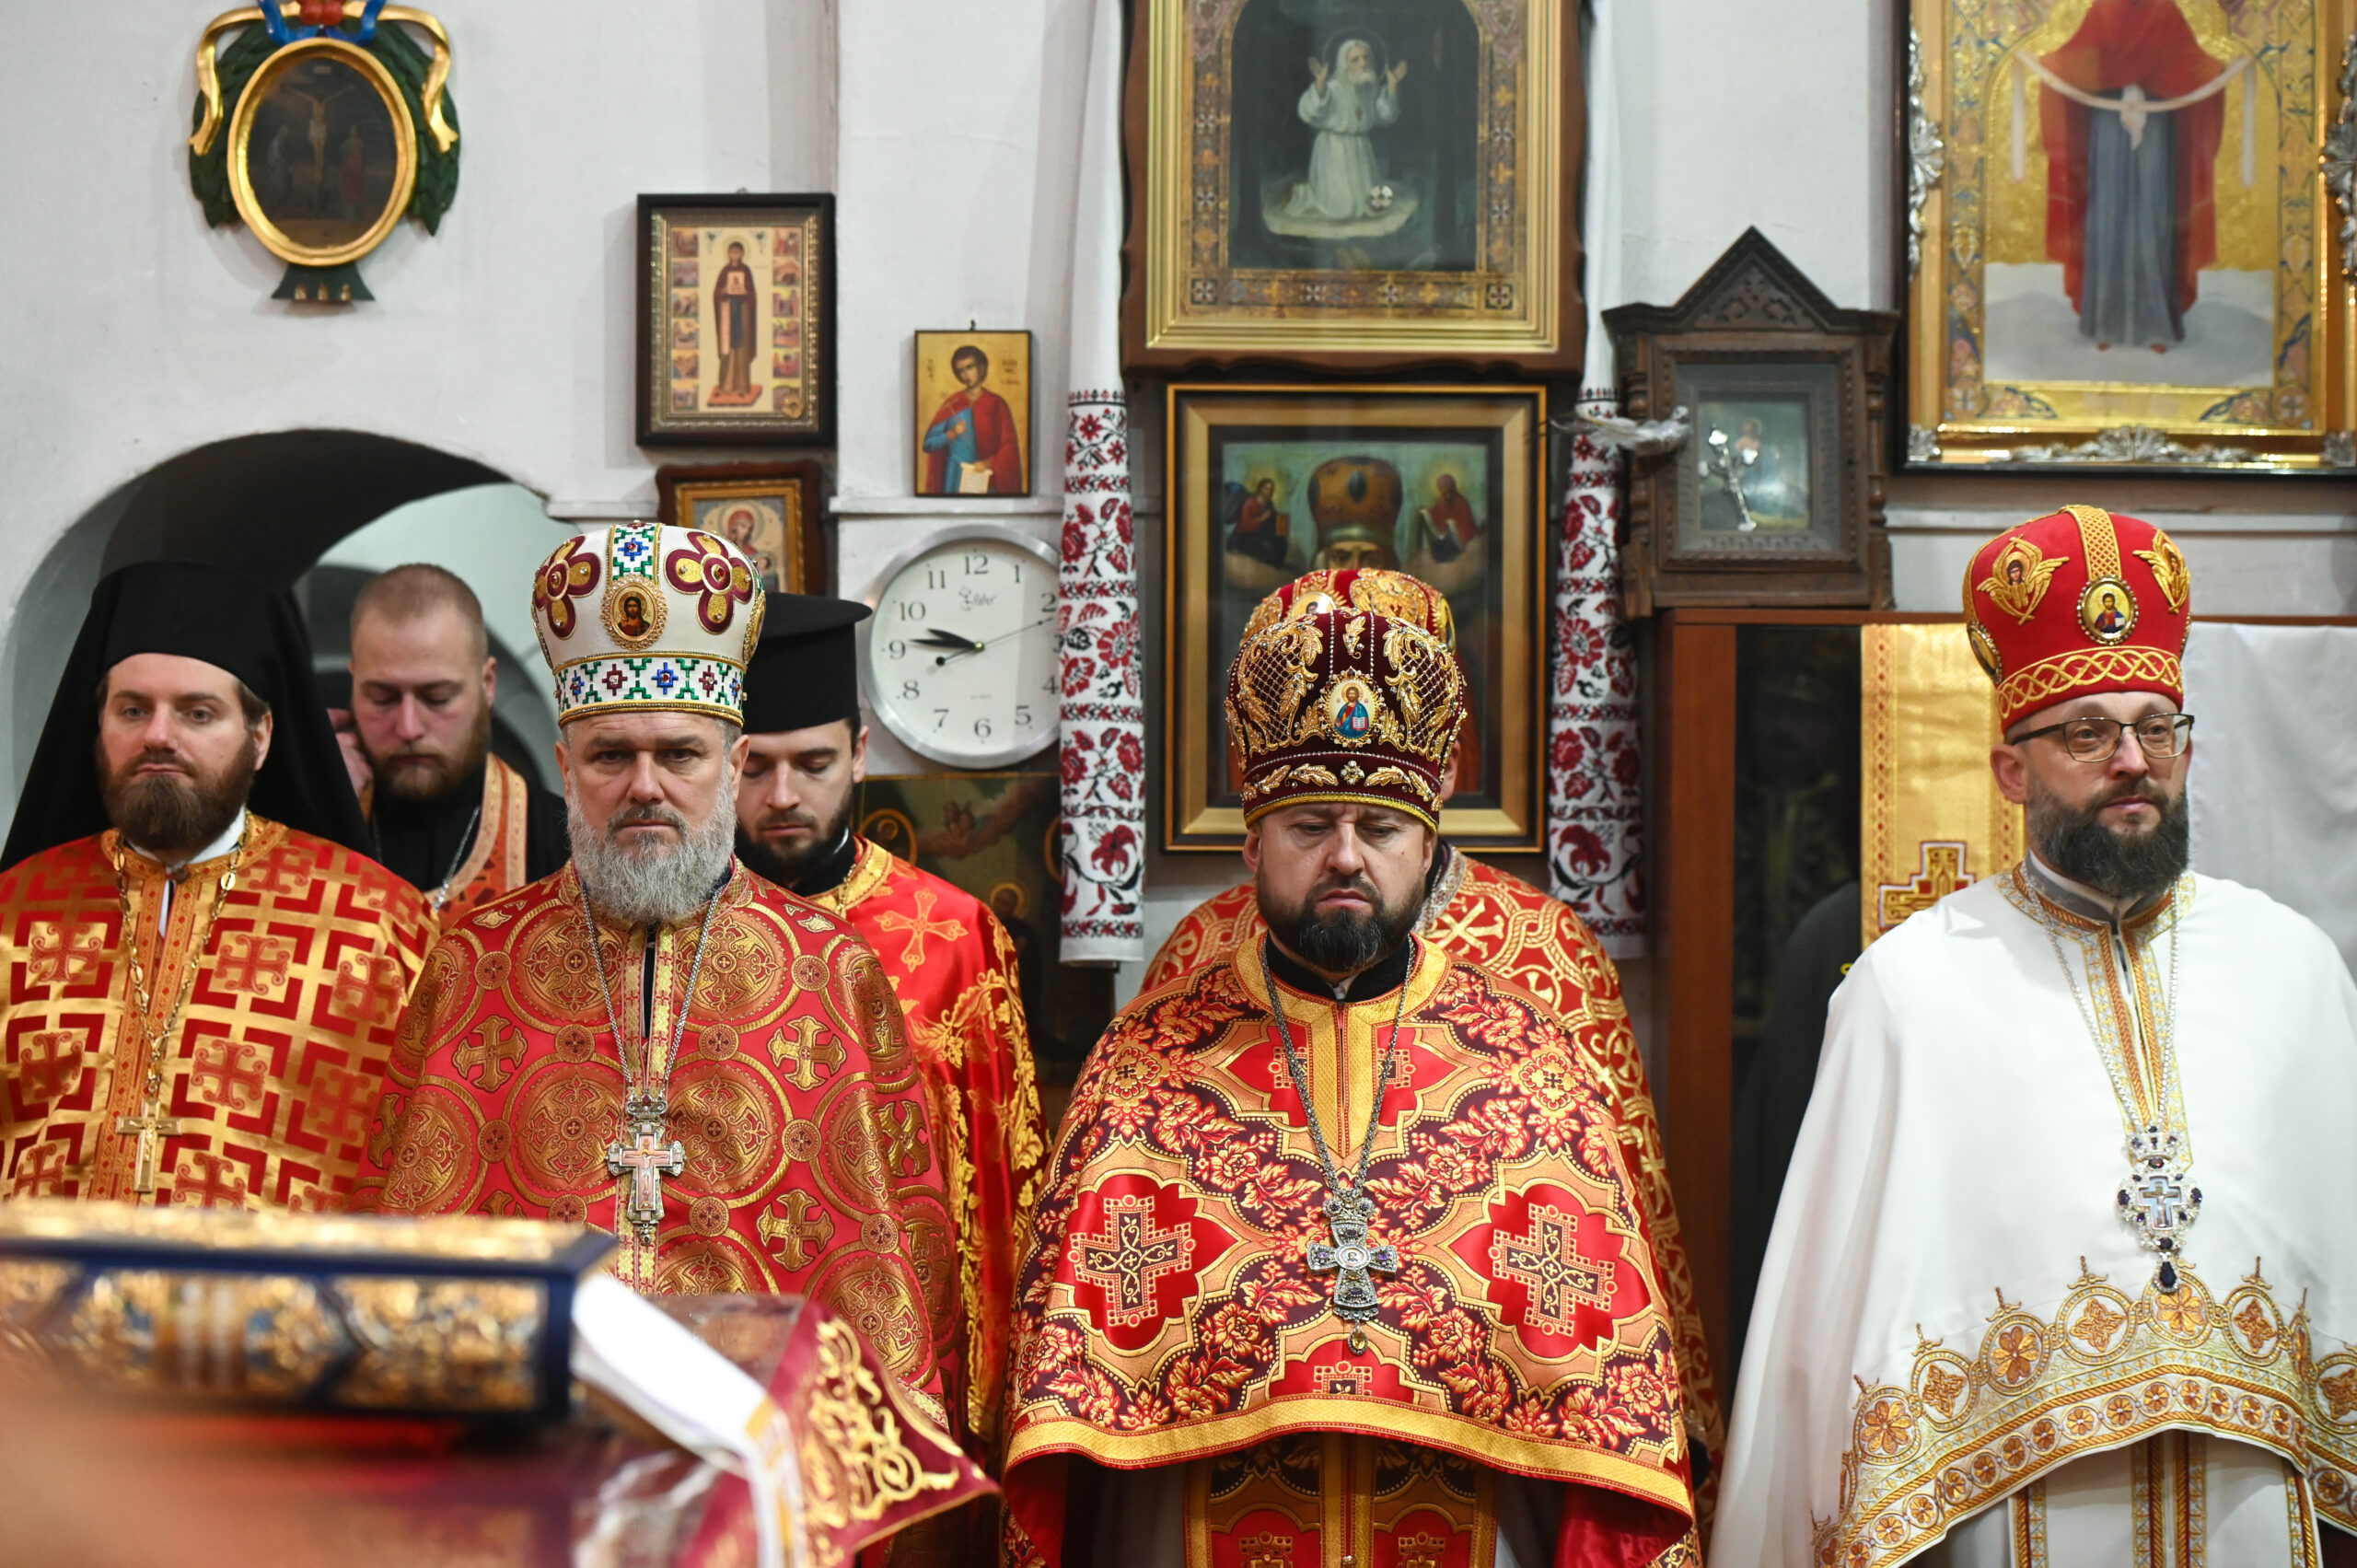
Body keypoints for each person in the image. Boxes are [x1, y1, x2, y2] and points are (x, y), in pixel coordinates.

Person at [1715, 505, 2357, 1565]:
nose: (2131, 760)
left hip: (2252, 1501)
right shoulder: (1906, 988)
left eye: (2157, 728)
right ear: (2011, 771)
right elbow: (1822, 1322)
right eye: (2087, 733)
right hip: (2014, 1516)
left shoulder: (2293, 966)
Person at [1003, 598, 1697, 1566]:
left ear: (1428, 847)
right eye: (1309, 825)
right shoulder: (1144, 1063)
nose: (1344, 855)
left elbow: (1610, 1409)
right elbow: (1064, 1395)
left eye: (1378, 826)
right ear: (1252, 844)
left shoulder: (1528, 1066)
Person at [359, 528, 958, 1410]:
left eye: (679, 754)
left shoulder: (830, 971)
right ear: (565, 766)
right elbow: (401, 1258)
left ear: (733, 764)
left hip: (758, 1445)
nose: (645, 785)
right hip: (531, 1447)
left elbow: (897, 1272)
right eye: (610, 755)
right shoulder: (471, 965)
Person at [0, 562, 431, 1209]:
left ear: (260, 736)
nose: (158, 736)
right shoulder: (13, 912)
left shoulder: (377, 927)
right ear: (100, 727)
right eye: (132, 709)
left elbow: (425, 1174)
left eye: (197, 713)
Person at [735, 596, 1047, 1470]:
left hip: (903, 1382)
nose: (784, 796)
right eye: (756, 767)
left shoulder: (953, 938)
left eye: (814, 763)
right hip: (731, 1367)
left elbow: (1004, 1193)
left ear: (861, 753)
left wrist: (989, 1414)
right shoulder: (681, 935)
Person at [337, 563, 567, 927]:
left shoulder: (562, 848)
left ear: (487, 684)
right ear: (354, 685)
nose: (408, 728)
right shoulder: (311, 829)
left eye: (437, 698)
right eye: (382, 698)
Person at [2039, 0, 2229, 351]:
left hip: (2156, 121)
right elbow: (2079, 62)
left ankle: (2157, 323)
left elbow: (2188, 65)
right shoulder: (2103, 10)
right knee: (2107, 214)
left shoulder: (2165, 11)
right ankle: (2104, 321)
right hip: (2108, 126)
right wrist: (2050, 65)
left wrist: (2216, 69)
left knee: (2153, 213)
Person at [1283, 37, 1406, 222]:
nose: (1363, 63)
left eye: (1366, 57)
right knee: (1342, 208)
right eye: (1355, 59)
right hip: (1334, 149)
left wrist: (1392, 86)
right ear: (1344, 64)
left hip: (1362, 148)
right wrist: (1320, 85)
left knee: (1371, 204)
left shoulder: (1368, 88)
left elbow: (1386, 116)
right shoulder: (1333, 88)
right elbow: (1310, 112)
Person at [921, 343, 1024, 494]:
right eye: (961, 370)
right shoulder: (952, 404)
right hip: (954, 477)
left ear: (981, 367)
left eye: (970, 367)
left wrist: (989, 463)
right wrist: (951, 434)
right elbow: (928, 444)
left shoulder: (996, 404)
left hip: (984, 477)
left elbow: (1009, 445)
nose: (966, 375)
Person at [710, 239, 760, 404]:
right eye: (732, 252)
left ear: (743, 253)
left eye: (738, 252)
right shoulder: (725, 271)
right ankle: (725, 387)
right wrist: (724, 291)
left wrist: (745, 292)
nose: (735, 255)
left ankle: (742, 388)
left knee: (742, 348)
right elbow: (716, 293)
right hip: (727, 312)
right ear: (728, 254)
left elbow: (752, 294)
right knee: (727, 348)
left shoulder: (746, 270)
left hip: (743, 313)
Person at [1416, 470, 1479, 562]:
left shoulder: (1461, 502)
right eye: (1442, 488)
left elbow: (1467, 525)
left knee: (1450, 524)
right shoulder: (1442, 500)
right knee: (1423, 514)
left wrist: (1451, 525)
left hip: (1457, 542)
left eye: (1446, 487)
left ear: (1452, 486)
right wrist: (1426, 512)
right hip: (1443, 540)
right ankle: (1420, 551)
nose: (1444, 490)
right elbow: (1435, 512)